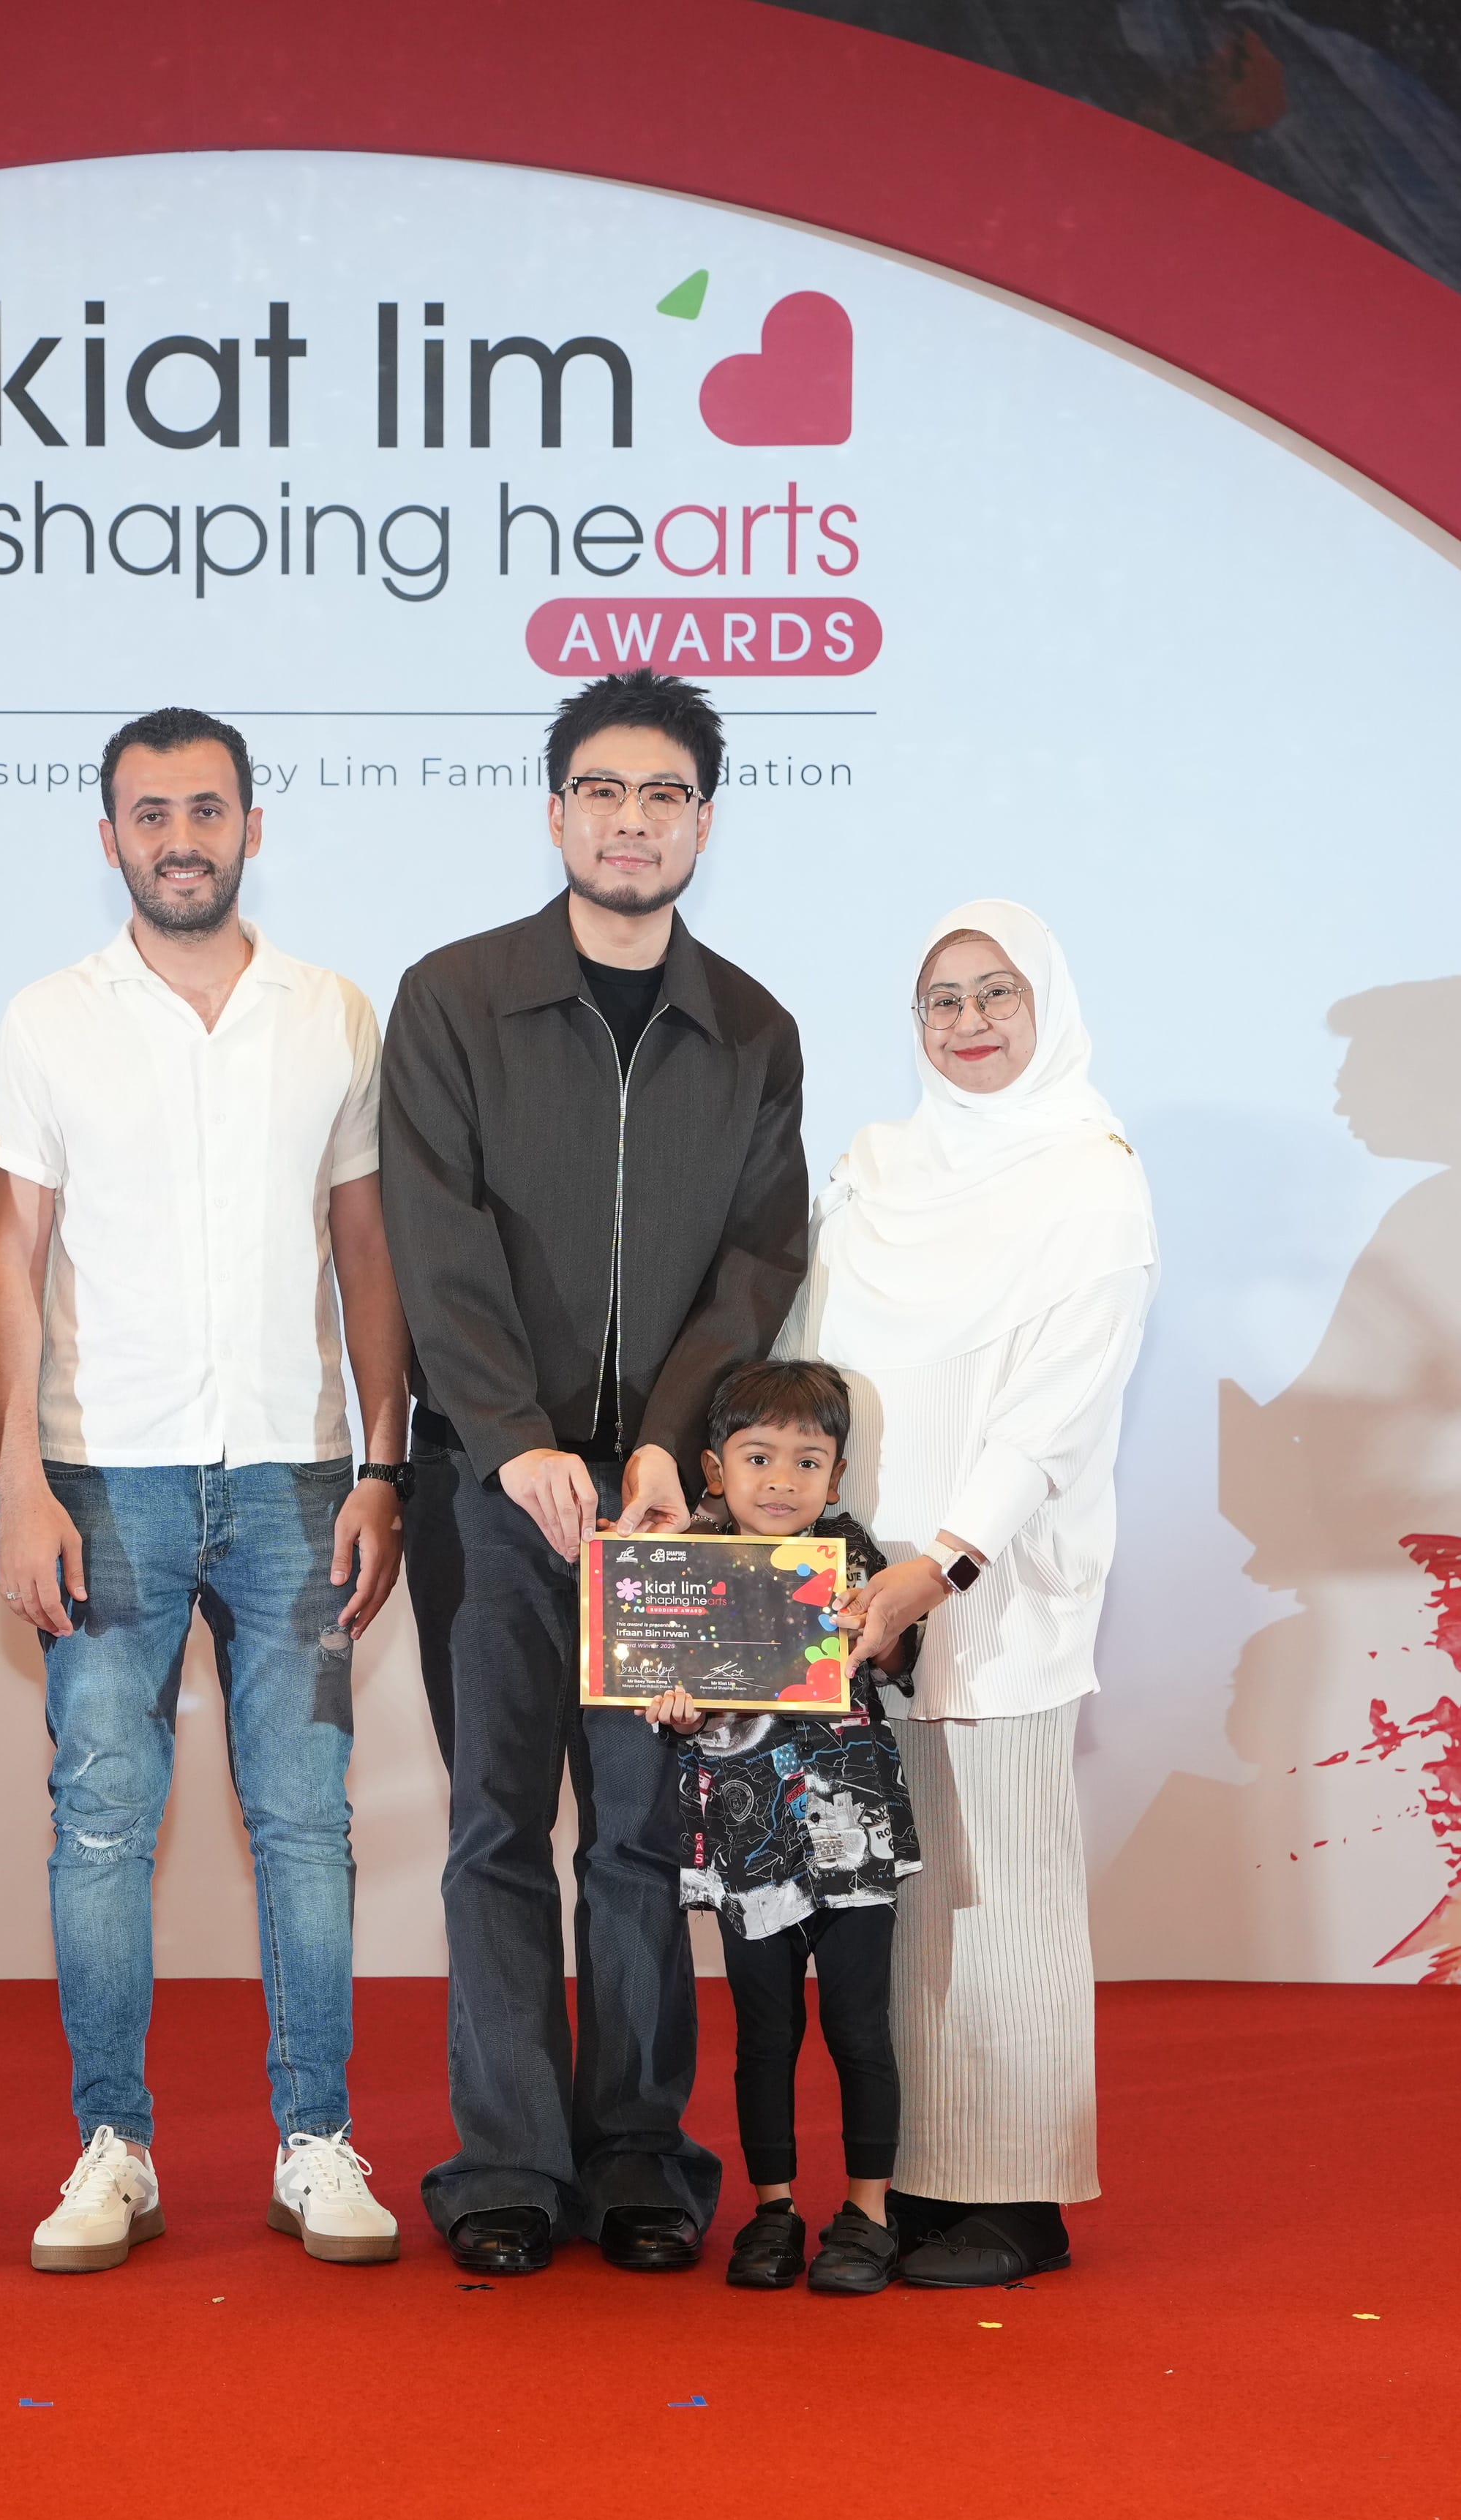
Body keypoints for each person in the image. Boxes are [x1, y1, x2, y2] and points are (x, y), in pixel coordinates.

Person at [382, 667, 810, 2279]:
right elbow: (437, 1243)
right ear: (556, 810)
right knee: (497, 1828)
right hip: (488, 1498)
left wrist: (658, 1447)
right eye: (604, 794)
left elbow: (763, 1260)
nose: (634, 824)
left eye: (666, 797)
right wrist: (517, 1445)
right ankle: (505, 2159)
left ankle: (638, 2151)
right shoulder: (452, 999)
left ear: (705, 818)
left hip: (667, 1514)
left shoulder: (752, 1027)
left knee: (638, 1837)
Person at [0, 707, 413, 2273]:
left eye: (207, 809)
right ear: (107, 836)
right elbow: (9, 1257)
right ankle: (115, 2146)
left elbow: (366, 1250)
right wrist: (17, 1483)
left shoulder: (333, 1015)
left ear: (251, 825)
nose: (181, 836)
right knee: (101, 1822)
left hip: (301, 1476)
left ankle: (315, 2142)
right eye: (150, 812)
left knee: (305, 1823)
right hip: (105, 1475)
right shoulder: (47, 1020)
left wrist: (384, 1462)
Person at [792, 900, 1156, 2289]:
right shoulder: (879, 1163)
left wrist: (940, 1559)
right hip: (851, 1581)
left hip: (986, 1579)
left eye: (997, 992)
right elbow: (810, 1354)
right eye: (941, 1000)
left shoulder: (1090, 1172)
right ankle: (919, 2179)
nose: (970, 1023)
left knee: (997, 1880)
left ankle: (1021, 2201)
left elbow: (1056, 1408)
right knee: (888, 1885)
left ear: (1046, 1003)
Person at [641, 1358, 921, 2297]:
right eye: (758, 1457)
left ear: (835, 1480)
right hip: (746, 1844)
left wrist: (868, 1628)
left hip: (851, 1836)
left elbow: (898, 1648)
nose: (780, 1480)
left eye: (807, 1462)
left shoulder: (856, 1562)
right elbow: (659, 1695)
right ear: (715, 1471)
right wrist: (674, 1710)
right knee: (765, 2036)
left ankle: (870, 2212)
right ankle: (773, 2208)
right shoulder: (692, 1571)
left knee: (858, 2029)